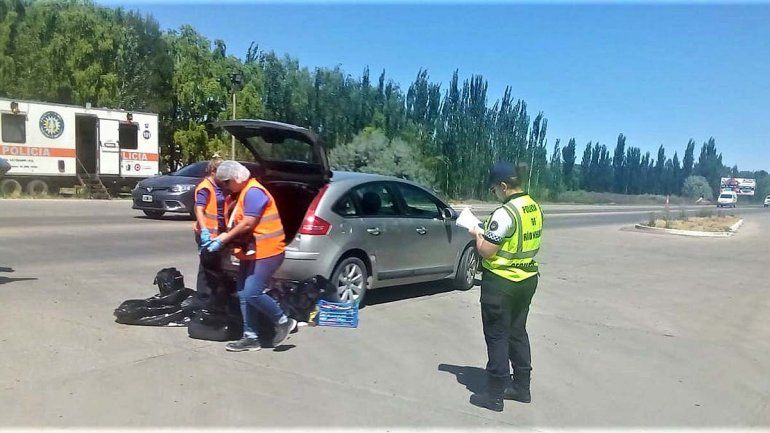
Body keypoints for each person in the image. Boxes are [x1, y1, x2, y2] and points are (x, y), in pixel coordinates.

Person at [467, 161, 543, 412]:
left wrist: (477, 234)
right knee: (517, 333)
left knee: (497, 336)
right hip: (527, 279)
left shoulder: (505, 213)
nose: (494, 194)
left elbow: (487, 251)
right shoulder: (533, 207)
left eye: (493, 190)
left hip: (501, 283)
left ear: (503, 186)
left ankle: (494, 395)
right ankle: (522, 387)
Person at [203, 160, 296, 352]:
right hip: (252, 252)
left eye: (227, 182)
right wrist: (221, 238)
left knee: (251, 292)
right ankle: (251, 337)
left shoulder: (254, 192)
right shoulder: (242, 193)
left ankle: (283, 321)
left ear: (237, 178)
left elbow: (248, 223)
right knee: (244, 293)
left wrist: (224, 239)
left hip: (268, 251)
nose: (225, 186)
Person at [193, 156, 226, 304]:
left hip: (218, 233)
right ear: (213, 171)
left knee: (215, 266)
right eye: (221, 172)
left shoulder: (220, 186)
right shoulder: (205, 187)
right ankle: (203, 298)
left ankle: (213, 297)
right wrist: (205, 231)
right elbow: (199, 209)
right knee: (206, 268)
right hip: (207, 234)